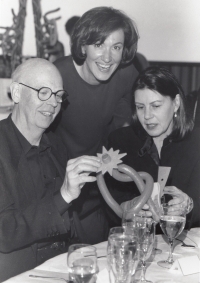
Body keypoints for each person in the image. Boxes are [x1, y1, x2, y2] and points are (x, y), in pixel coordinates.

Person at [0, 58, 102, 281]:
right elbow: (4, 233)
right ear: (16, 93)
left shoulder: (55, 145)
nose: (53, 103)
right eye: (43, 92)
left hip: (61, 267)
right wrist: (64, 195)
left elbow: (70, 224)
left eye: (58, 95)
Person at [106, 67, 199, 229]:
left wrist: (189, 206)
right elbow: (109, 205)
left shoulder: (196, 143)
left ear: (176, 103)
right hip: (135, 243)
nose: (147, 116)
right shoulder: (119, 141)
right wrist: (128, 207)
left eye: (155, 106)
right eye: (140, 107)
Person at [51, 6, 139, 158]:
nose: (107, 58)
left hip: (102, 168)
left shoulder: (126, 74)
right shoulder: (58, 75)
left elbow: (124, 125)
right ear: (83, 46)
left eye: (116, 47)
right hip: (58, 168)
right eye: (99, 45)